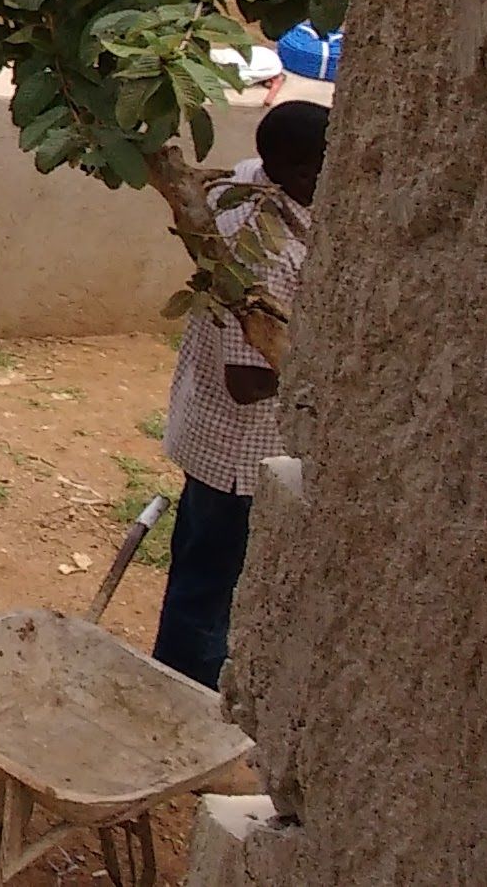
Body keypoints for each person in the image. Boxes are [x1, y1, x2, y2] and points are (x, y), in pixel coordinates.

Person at [153, 96, 329, 688]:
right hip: (236, 453)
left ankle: (174, 688)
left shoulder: (248, 180)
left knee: (203, 569)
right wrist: (333, 376)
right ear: (296, 171)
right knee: (208, 590)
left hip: (214, 436)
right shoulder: (263, 252)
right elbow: (247, 380)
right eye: (322, 171)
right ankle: (184, 702)